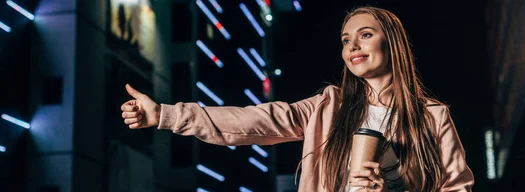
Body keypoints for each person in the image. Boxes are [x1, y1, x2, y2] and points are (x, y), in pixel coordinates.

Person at [120, 6, 474, 192]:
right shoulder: (328, 106)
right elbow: (252, 121)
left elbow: (457, 190)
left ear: (391, 43)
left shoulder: (432, 117)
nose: (352, 46)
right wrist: (165, 115)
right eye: (345, 39)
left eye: (365, 35)